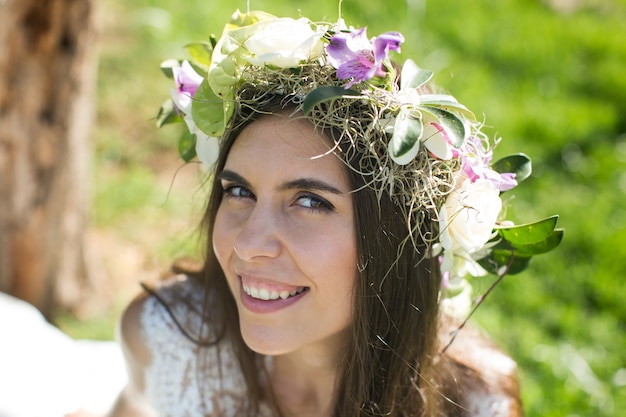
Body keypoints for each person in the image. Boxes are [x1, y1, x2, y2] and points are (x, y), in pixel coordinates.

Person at [99, 8, 562, 417]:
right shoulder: (163, 340)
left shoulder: (476, 404)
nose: (247, 244)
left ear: (398, 236)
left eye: (310, 201)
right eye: (238, 191)